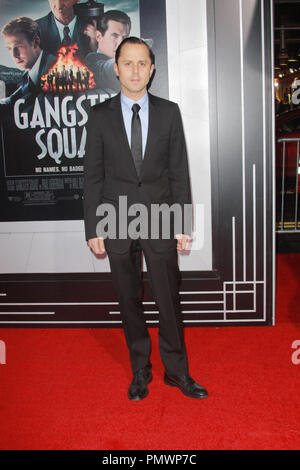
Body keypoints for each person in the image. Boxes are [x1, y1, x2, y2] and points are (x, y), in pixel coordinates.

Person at [83, 37, 209, 401]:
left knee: (168, 298)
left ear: (152, 69)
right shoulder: (100, 115)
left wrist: (183, 224)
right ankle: (141, 370)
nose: (135, 70)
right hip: (115, 217)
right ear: (116, 68)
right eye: (128, 63)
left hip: (160, 216)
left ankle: (177, 372)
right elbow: (91, 176)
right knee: (128, 299)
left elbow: (178, 173)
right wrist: (93, 228)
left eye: (142, 63)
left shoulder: (169, 112)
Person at [0, 17, 56, 106]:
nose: (14, 55)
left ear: (35, 42)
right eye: (9, 49)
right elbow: (15, 97)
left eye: (19, 46)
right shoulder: (28, 73)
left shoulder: (56, 68)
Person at [85, 10, 131, 95]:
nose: (121, 43)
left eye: (124, 37)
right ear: (98, 36)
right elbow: (106, 69)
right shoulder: (92, 61)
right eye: (115, 36)